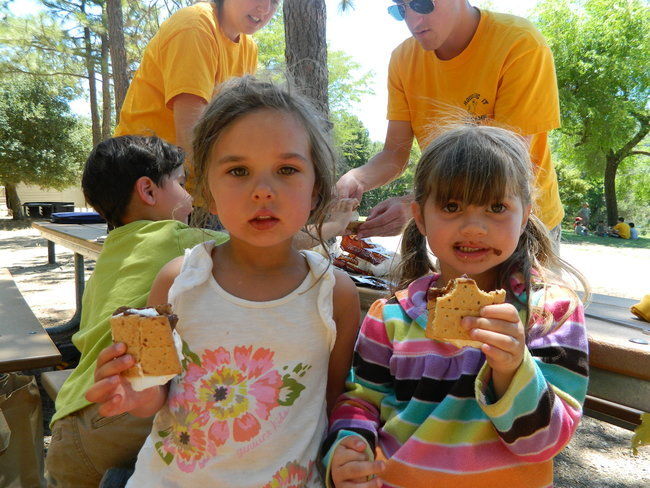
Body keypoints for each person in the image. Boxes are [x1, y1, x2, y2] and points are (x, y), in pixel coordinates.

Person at [86, 77, 361, 487]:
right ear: (206, 192)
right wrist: (135, 393)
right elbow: (157, 392)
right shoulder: (178, 281)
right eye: (238, 170)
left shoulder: (334, 292)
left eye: (287, 169)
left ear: (317, 186)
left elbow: (333, 403)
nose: (263, 191)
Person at [324, 125, 589, 487]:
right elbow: (361, 403)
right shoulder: (391, 316)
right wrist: (349, 446)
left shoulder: (551, 313)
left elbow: (543, 444)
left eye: (497, 207)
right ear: (419, 217)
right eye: (451, 206)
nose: (474, 227)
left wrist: (513, 368)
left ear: (524, 215)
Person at [45, 135, 229, 488]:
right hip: (116, 417)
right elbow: (257, 249)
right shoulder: (175, 237)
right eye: (180, 182)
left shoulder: (112, 247)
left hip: (74, 414)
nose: (189, 197)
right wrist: (332, 227)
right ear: (148, 190)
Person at [337, 0, 564, 243]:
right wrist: (353, 180)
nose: (413, 21)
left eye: (422, 4)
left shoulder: (519, 42)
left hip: (519, 222)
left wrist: (419, 202)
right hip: (451, 222)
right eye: (401, 9)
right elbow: (394, 153)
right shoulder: (403, 59)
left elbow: (505, 161)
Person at [114, 0, 278, 158]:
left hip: (178, 171)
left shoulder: (249, 48)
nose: (265, 8)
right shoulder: (195, 27)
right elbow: (189, 138)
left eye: (275, 1)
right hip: (140, 169)